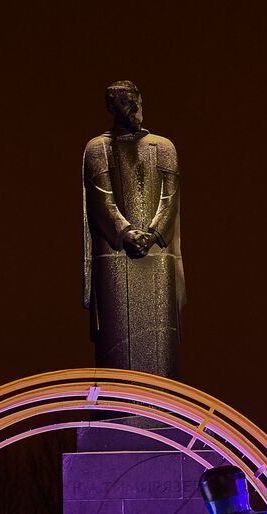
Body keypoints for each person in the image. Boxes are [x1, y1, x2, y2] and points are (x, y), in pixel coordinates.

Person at [82, 80, 184, 378]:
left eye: (137, 100)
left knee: (160, 347)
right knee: (117, 344)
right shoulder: (97, 148)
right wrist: (126, 233)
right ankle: (119, 409)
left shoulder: (164, 148)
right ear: (112, 108)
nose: (135, 108)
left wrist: (152, 234)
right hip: (115, 258)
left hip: (157, 255)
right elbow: (101, 199)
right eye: (127, 102)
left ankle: (162, 409)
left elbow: (170, 197)